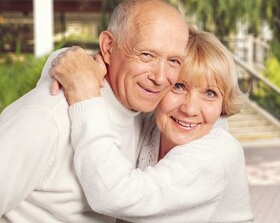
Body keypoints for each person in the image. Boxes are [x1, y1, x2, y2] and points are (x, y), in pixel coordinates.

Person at [0, 0, 189, 222]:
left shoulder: (143, 113)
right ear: (108, 47)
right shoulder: (47, 118)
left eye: (174, 61)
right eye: (146, 55)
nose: (160, 77)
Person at [52, 29, 254, 222]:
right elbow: (96, 71)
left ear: (223, 102)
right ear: (159, 84)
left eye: (210, 93)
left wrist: (85, 95)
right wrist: (81, 65)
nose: (190, 109)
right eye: (179, 86)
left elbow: (117, 197)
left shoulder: (217, 155)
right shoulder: (153, 122)